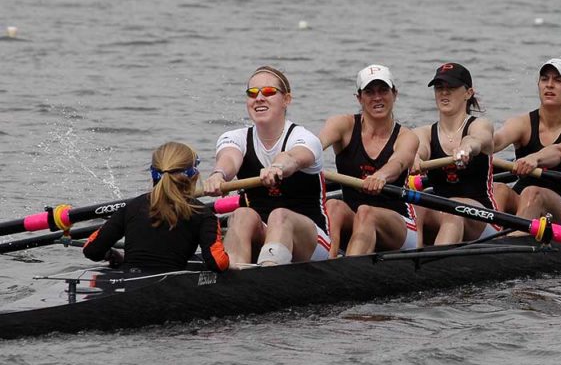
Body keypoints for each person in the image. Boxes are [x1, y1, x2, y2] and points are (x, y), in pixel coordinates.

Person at [202, 66, 331, 266]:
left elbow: (293, 158)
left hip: (312, 240)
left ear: (286, 100)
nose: (259, 98)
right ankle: (235, 276)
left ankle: (268, 272)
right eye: (252, 93)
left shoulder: (304, 138)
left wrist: (278, 166)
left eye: (269, 92)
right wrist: (218, 175)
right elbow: (229, 159)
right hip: (263, 234)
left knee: (279, 216)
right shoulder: (235, 138)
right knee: (241, 214)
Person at [319, 64, 419, 256]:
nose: (377, 97)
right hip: (355, 220)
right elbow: (315, 146)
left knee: (367, 212)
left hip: (399, 227)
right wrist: (290, 162)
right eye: (369, 92)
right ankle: (327, 263)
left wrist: (381, 175)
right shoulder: (343, 125)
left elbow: (398, 163)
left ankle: (348, 271)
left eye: (383, 90)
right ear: (359, 98)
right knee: (333, 206)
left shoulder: (406, 136)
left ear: (394, 94)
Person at [83, 141, 230, 272]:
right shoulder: (203, 214)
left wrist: (111, 254)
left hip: (130, 281)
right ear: (194, 176)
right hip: (171, 289)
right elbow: (217, 263)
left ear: (153, 174)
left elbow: (91, 250)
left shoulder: (132, 207)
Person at [492, 58, 561, 227]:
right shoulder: (522, 123)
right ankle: (489, 239)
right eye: (545, 79)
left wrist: (536, 159)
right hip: (524, 198)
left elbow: (560, 151)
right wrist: (471, 143)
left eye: (558, 80)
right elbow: (496, 140)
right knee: (499, 189)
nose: (550, 85)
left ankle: (511, 243)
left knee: (533, 193)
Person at [412, 62, 497, 245]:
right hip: (444, 212)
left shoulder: (480, 124)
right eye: (439, 87)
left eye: (451, 87)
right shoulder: (424, 132)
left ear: (468, 93)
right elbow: (419, 148)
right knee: (417, 207)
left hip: (484, 218)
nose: (444, 92)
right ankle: (411, 258)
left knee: (454, 208)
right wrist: (415, 158)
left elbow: (477, 139)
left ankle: (434, 266)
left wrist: (466, 147)